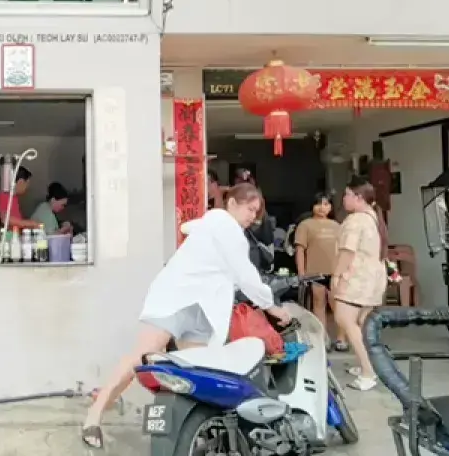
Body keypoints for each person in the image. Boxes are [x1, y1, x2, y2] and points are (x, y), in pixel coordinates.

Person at [81, 183, 293, 448]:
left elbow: (231, 272)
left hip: (203, 312)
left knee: (192, 378)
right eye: (249, 209)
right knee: (142, 357)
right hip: (178, 301)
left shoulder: (216, 228)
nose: (253, 216)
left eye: (256, 212)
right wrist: (271, 307)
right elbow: (246, 276)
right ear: (231, 204)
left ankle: (189, 436)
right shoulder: (224, 224)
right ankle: (95, 414)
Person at [332, 177, 388, 391]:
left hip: (356, 277)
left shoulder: (355, 220)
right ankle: (368, 365)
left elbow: (348, 251)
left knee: (345, 320)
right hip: (373, 278)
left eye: (347, 194)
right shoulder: (372, 217)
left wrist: (336, 275)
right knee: (362, 325)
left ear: (358, 197)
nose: (344, 199)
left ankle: (368, 371)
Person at [293, 193, 341, 346]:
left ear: (331, 207)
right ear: (312, 206)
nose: (322, 207)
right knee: (318, 304)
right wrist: (302, 273)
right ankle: (323, 338)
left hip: (335, 272)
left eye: (326, 204)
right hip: (315, 273)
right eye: (318, 204)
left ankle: (342, 339)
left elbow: (343, 250)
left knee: (337, 305)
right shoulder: (305, 225)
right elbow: (300, 250)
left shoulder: (337, 226)